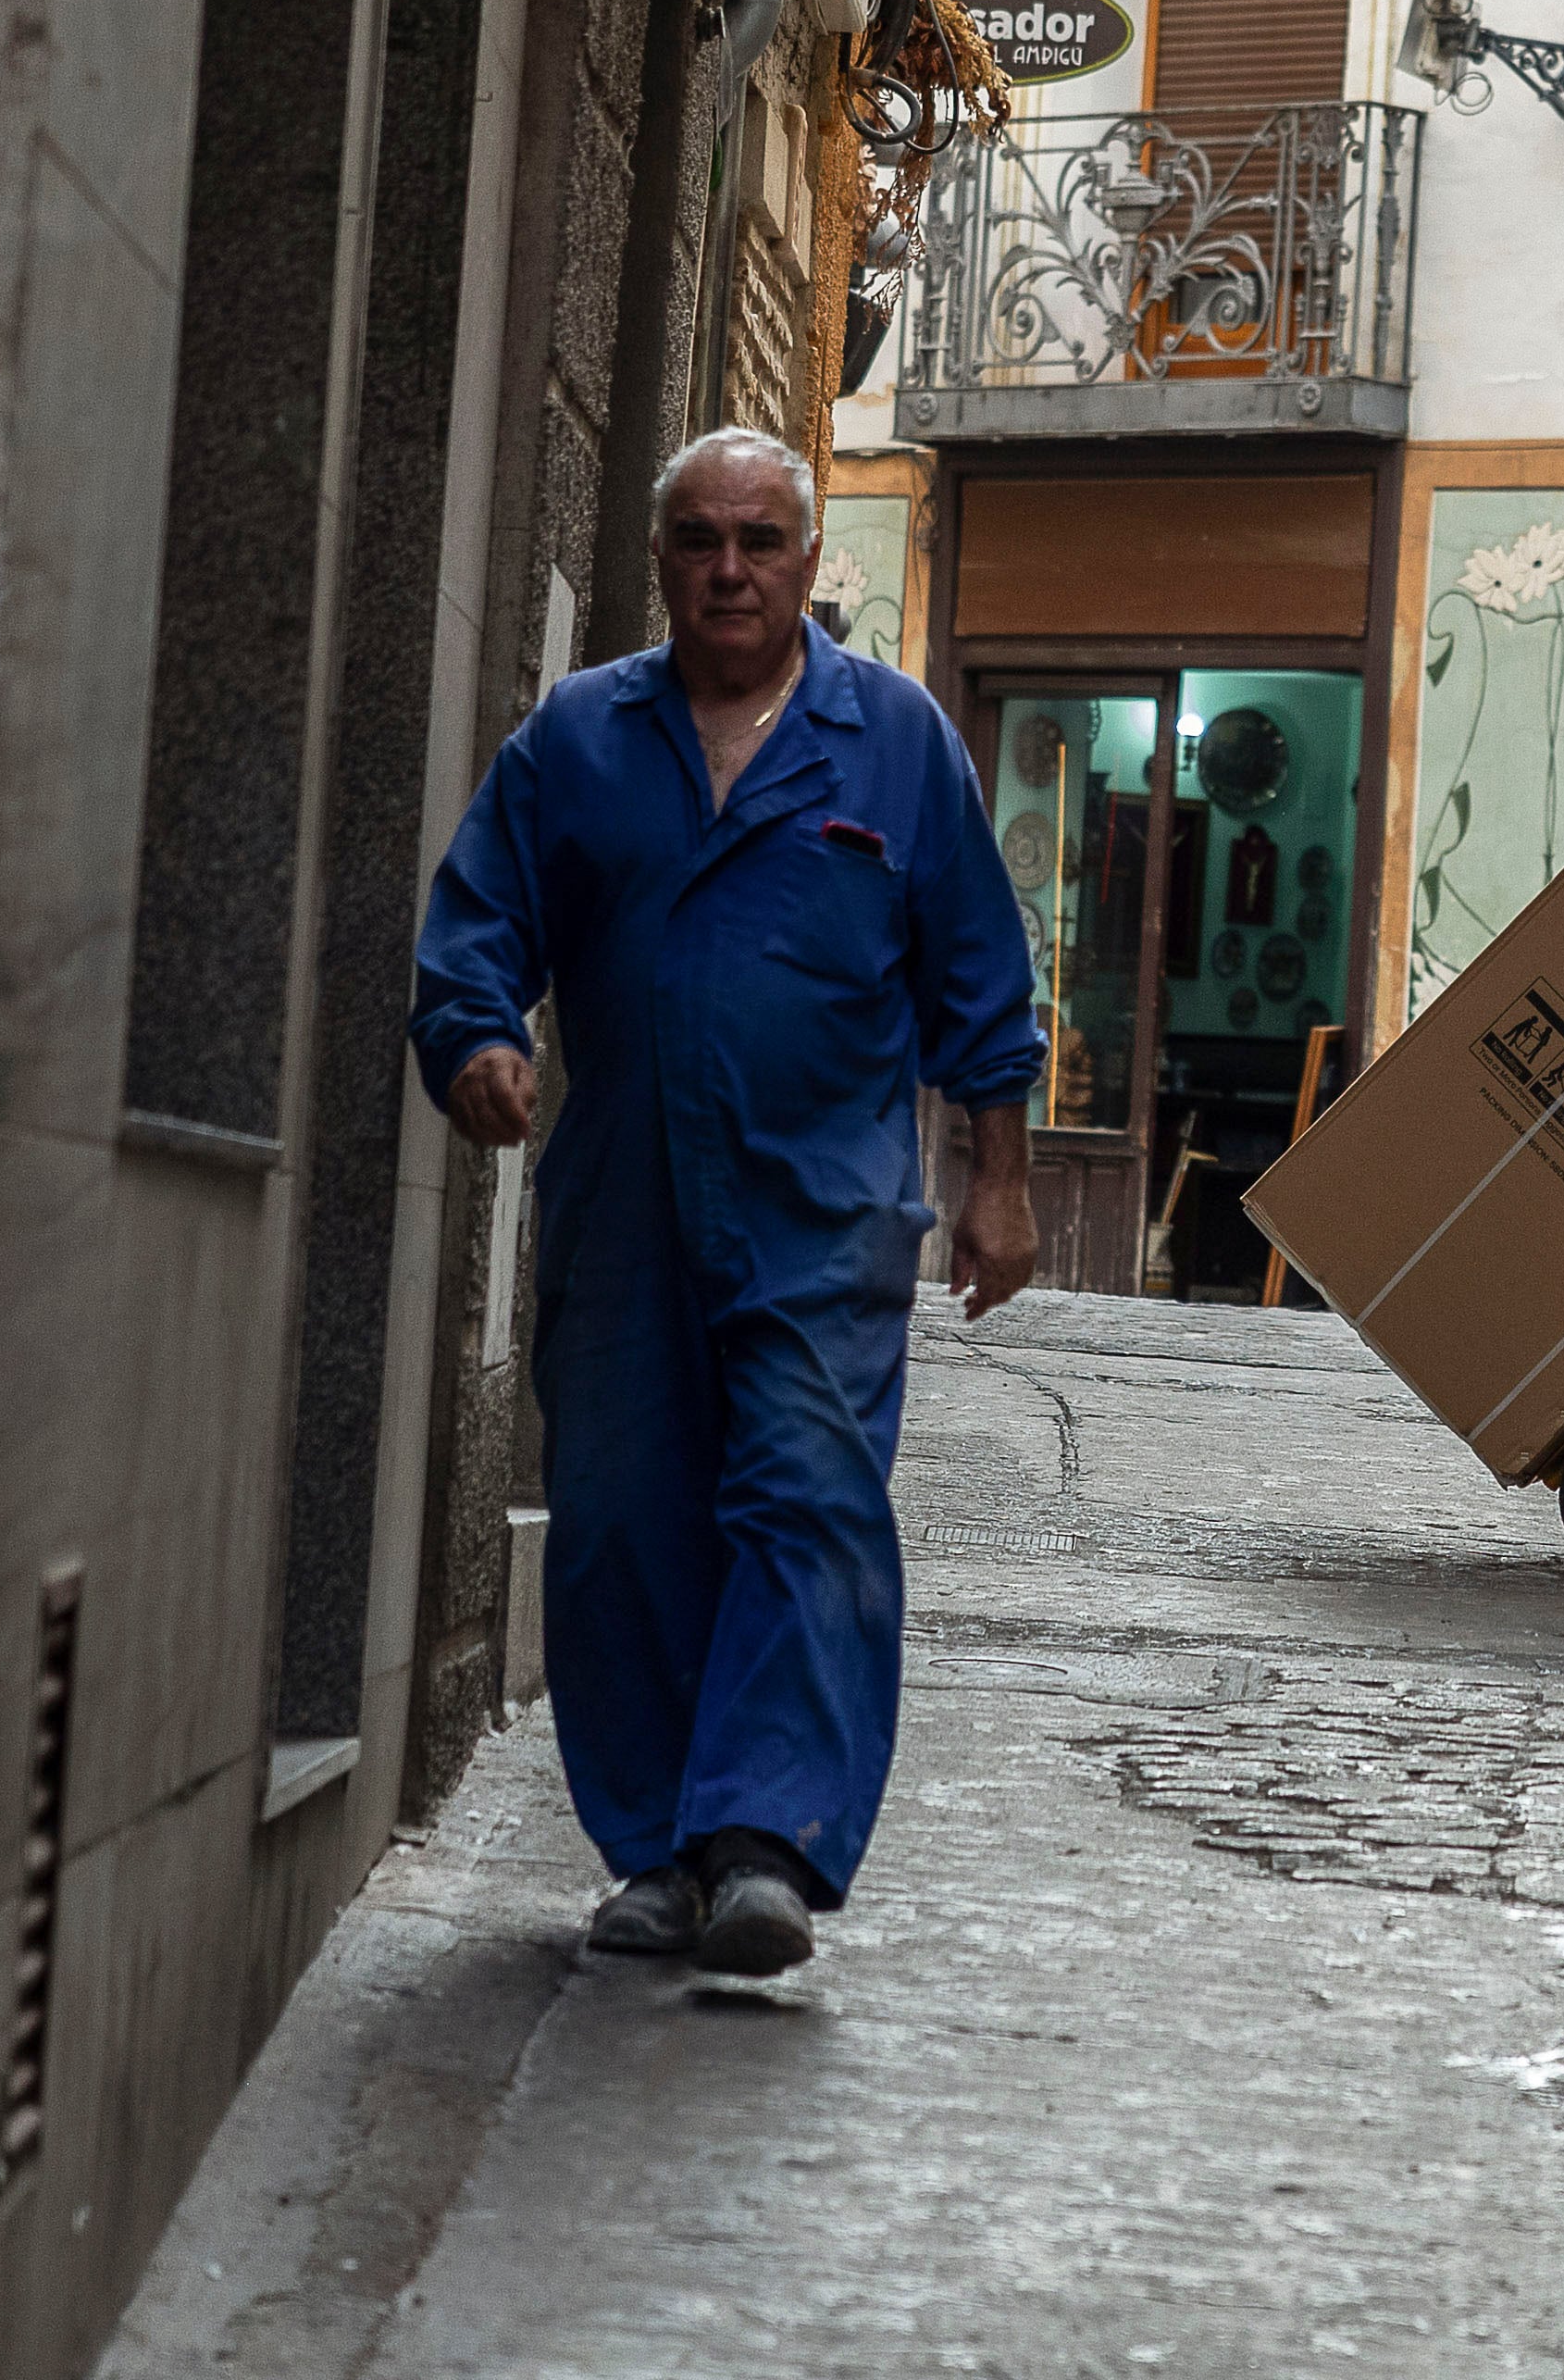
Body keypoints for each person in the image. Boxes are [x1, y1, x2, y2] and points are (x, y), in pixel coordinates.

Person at [410, 426, 1047, 1976]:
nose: (731, 567)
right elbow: (480, 913)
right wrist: (479, 1039)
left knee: (805, 1502)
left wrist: (1001, 1184)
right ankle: (657, 1848)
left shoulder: (891, 737)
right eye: (700, 538)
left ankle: (764, 1841)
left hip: (819, 1206)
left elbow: (978, 966)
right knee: (624, 1520)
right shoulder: (578, 737)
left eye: (761, 539)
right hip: (624, 1196)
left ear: (812, 562)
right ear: (662, 559)